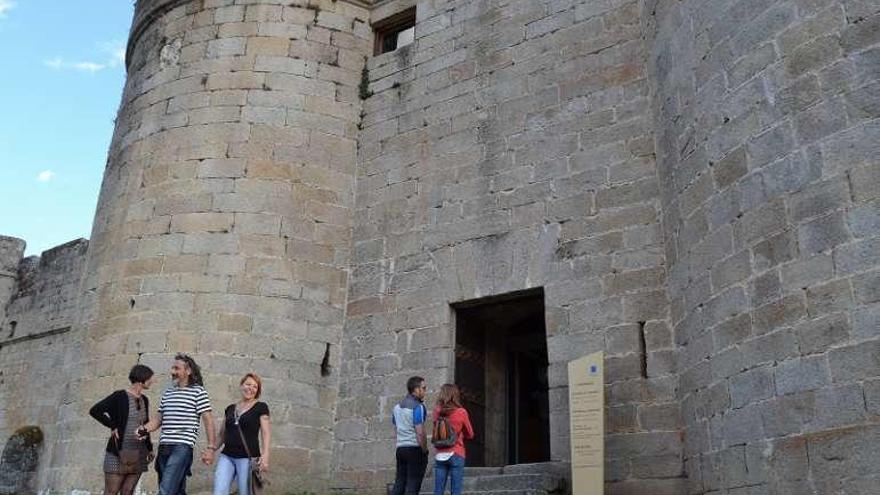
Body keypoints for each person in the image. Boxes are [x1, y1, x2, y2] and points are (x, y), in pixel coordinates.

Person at [137, 354, 215, 495]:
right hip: (164, 446)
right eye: (172, 368)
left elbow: (208, 419)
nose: (172, 372)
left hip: (182, 447)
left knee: (165, 490)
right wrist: (143, 429)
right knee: (177, 491)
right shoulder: (168, 393)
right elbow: (158, 420)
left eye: (176, 368)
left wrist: (210, 448)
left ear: (188, 371)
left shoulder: (198, 391)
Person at [89, 364, 156, 495]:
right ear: (141, 379)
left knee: (128, 491)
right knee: (111, 491)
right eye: (150, 378)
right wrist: (112, 426)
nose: (152, 381)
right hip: (118, 452)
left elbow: (145, 425)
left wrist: (149, 448)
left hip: (139, 452)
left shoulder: (145, 400)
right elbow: (95, 410)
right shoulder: (119, 396)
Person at [212, 373, 271, 495]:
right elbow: (222, 434)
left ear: (257, 391)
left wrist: (265, 456)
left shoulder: (261, 407)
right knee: (219, 491)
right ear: (241, 385)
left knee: (245, 492)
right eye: (248, 384)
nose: (251, 388)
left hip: (247, 458)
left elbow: (266, 433)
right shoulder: (230, 408)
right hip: (227, 456)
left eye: (255, 387)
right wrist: (211, 449)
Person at [431, 384, 474, 495]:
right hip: (456, 452)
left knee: (438, 491)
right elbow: (470, 434)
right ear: (455, 395)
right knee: (456, 491)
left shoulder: (437, 412)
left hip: (440, 454)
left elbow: (437, 430)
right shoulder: (461, 412)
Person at [391, 376, 429, 495]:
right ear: (416, 389)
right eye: (423, 388)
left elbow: (396, 425)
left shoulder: (396, 408)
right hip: (414, 449)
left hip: (400, 449)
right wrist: (424, 450)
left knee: (399, 483)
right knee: (413, 485)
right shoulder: (418, 407)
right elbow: (420, 432)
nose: (425, 390)